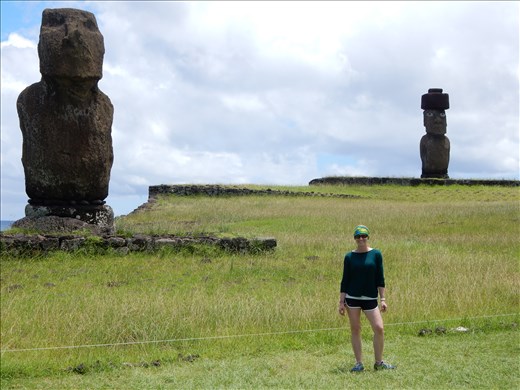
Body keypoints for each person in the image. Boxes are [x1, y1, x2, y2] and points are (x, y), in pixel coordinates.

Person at [338, 225, 396, 372]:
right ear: (354, 239)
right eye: (358, 236)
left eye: (363, 236)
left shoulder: (376, 254)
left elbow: (380, 278)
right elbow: (345, 280)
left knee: (379, 328)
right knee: (355, 329)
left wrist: (383, 299)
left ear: (368, 237)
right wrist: (341, 302)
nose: (361, 239)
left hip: (370, 298)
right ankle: (358, 363)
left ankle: (379, 363)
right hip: (352, 298)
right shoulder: (349, 257)